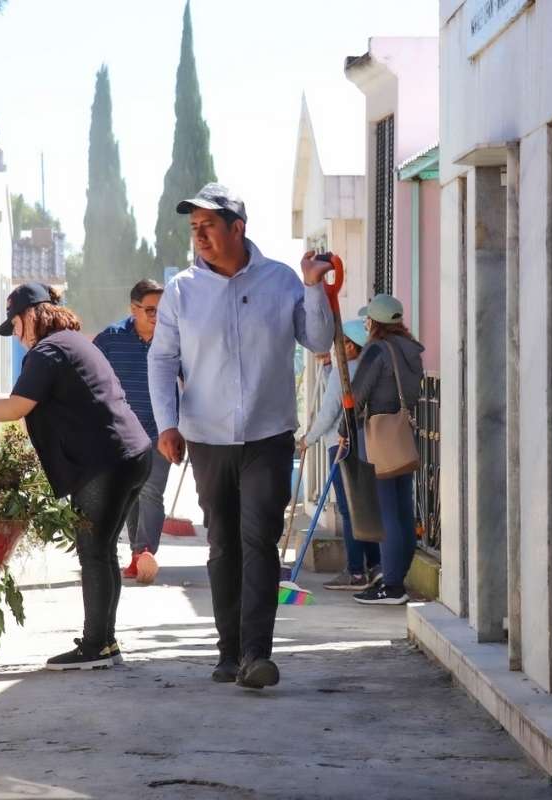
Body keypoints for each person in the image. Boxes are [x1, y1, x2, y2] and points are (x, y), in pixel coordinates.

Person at [148, 183, 335, 689]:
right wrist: (167, 423)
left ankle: (256, 655)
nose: (200, 236)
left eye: (209, 226)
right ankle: (228, 652)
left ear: (238, 228)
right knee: (223, 545)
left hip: (268, 433)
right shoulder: (183, 292)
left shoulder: (280, 281)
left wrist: (314, 287)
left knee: (259, 540)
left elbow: (318, 341)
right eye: (194, 228)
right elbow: (162, 360)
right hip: (206, 436)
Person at [0, 282, 152, 671]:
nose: (17, 337)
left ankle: (96, 647)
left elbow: (17, 407)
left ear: (31, 315)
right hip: (131, 455)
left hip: (104, 463)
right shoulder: (72, 343)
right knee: (102, 551)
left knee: (93, 551)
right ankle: (105, 643)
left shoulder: (48, 351)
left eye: (16, 326)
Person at [342, 294, 424, 606]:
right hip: (401, 432)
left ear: (374, 321)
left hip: (377, 434)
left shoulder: (378, 350)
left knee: (387, 512)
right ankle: (398, 577)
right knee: (403, 509)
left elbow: (358, 394)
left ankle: (391, 586)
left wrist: (343, 430)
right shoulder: (412, 349)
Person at [93, 278, 169, 585]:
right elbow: (89, 374)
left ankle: (144, 553)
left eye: (161, 311)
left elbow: (189, 378)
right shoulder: (111, 339)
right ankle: (139, 552)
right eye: (149, 310)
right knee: (132, 493)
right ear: (133, 309)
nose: (156, 317)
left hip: (162, 431)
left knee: (152, 491)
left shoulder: (171, 338)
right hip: (122, 433)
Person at [299, 320, 381, 591]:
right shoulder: (365, 369)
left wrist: (306, 440)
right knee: (364, 507)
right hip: (364, 443)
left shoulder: (343, 373)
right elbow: (338, 391)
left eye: (339, 343)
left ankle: (355, 572)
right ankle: (375, 565)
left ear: (350, 345)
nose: (336, 349)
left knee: (347, 510)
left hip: (340, 444)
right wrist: (325, 367)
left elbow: (329, 412)